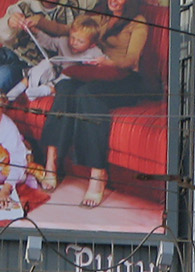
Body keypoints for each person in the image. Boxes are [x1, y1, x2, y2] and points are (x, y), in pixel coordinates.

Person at [29, 0, 158, 207]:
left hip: (124, 78)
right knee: (66, 89)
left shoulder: (137, 22)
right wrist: (37, 21)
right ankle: (51, 162)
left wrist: (110, 63)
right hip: (95, 74)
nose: (113, 1)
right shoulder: (99, 18)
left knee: (87, 94)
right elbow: (63, 29)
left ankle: (98, 174)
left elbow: (132, 60)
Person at [9, 12, 103, 100]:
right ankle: (25, 83)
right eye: (73, 37)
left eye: (80, 41)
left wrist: (100, 62)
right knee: (45, 63)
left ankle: (48, 89)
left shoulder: (94, 52)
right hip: (55, 69)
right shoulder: (64, 41)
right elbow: (48, 42)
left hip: (68, 77)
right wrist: (35, 32)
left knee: (69, 76)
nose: (74, 43)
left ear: (92, 45)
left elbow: (105, 61)